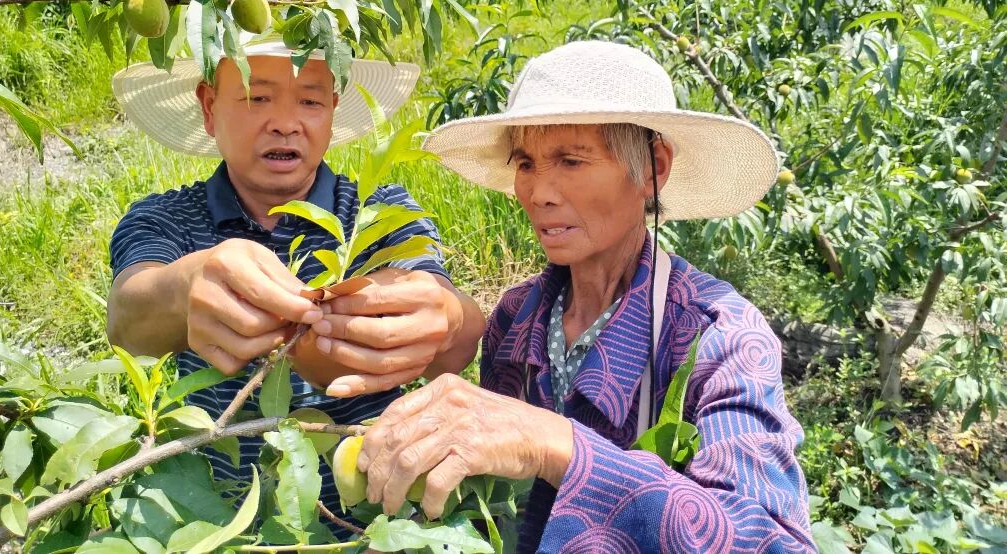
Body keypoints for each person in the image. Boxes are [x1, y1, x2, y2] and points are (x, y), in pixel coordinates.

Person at [356, 40, 814, 552]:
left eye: (571, 161)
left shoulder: (717, 337)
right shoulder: (516, 317)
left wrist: (555, 444)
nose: (539, 193)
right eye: (526, 164)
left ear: (654, 166)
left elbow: (772, 540)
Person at [106, 30, 485, 513]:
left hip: (372, 521)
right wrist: (185, 286)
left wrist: (448, 317)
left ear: (333, 108)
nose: (285, 124)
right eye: (256, 96)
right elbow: (128, 318)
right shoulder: (167, 219)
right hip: (218, 518)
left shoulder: (379, 214)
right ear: (209, 106)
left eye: (310, 101)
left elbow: (455, 332)